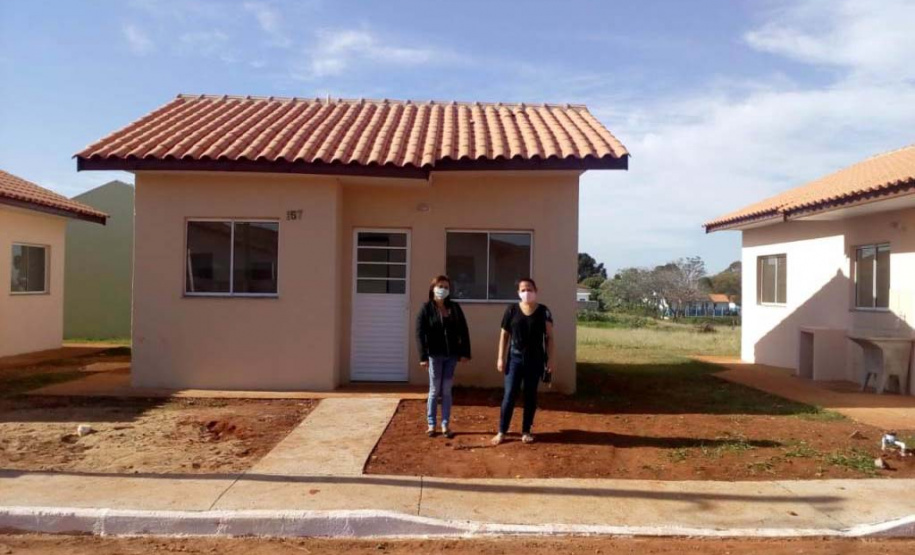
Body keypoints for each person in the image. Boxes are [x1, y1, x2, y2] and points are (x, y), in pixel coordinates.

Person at [492, 278, 554, 445]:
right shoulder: (511, 310)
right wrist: (500, 357)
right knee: (509, 394)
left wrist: (550, 361)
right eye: (523, 289)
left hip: (535, 359)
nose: (527, 292)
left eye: (530, 289)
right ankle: (502, 431)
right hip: (514, 359)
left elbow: (549, 338)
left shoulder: (544, 311)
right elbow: (504, 335)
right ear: (518, 292)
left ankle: (526, 431)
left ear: (536, 290)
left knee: (530, 395)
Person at [416, 275, 471, 438]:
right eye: (440, 286)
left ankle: (445, 424)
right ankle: (431, 425)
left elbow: (463, 330)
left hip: (451, 355)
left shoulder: (454, 308)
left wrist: (465, 352)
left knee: (446, 390)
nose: (443, 290)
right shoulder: (426, 309)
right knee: (434, 390)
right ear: (433, 288)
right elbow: (420, 334)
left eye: (446, 287)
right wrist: (423, 356)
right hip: (434, 355)